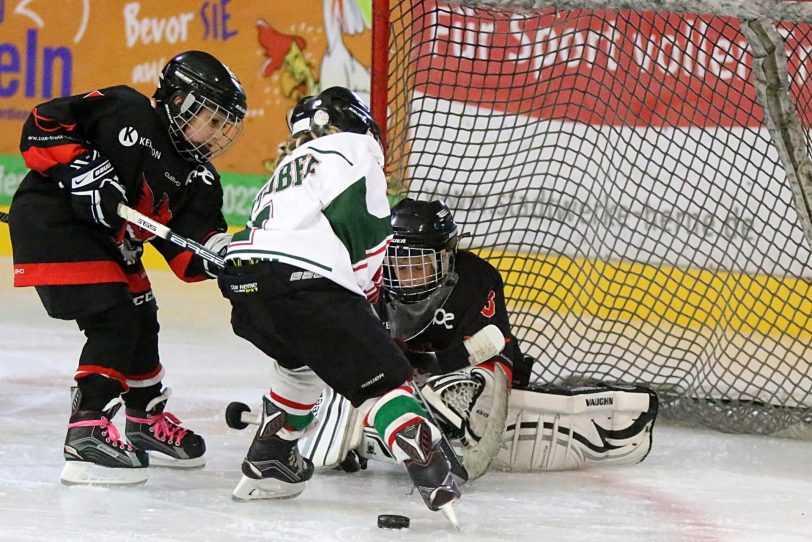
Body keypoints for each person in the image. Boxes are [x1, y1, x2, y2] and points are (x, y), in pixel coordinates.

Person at [216, 86, 461, 520]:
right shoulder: (356, 149)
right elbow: (364, 230)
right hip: (307, 283)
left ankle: (271, 457)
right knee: (383, 385)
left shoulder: (288, 164)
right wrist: (364, 305)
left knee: (299, 368)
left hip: (247, 287)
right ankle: (426, 463)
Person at [8, 50, 247, 485]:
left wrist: (226, 257)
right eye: (209, 119)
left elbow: (187, 257)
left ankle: (143, 416)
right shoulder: (124, 109)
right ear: (179, 102)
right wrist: (81, 165)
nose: (215, 134)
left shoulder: (199, 178)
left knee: (141, 311)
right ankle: (87, 430)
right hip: (55, 221)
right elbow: (41, 126)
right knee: (115, 317)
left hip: (109, 242)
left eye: (221, 124)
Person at [378, 199, 658, 473]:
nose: (406, 278)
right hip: (411, 373)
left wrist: (456, 382)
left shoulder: (475, 279)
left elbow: (495, 355)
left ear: (447, 257)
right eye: (400, 267)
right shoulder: (374, 280)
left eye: (418, 266)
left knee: (482, 384)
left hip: (458, 370)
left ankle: (458, 408)